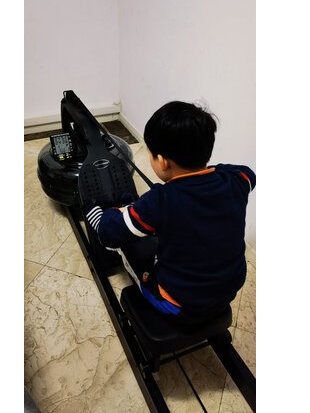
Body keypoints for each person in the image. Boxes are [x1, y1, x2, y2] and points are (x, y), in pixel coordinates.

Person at [84, 100, 255, 324]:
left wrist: (110, 214)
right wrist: (209, 175)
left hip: (177, 305)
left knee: (122, 238)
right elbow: (249, 173)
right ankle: (131, 211)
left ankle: (98, 212)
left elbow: (109, 234)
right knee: (157, 225)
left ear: (162, 162)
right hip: (227, 291)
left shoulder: (161, 201)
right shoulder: (236, 180)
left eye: (151, 155)